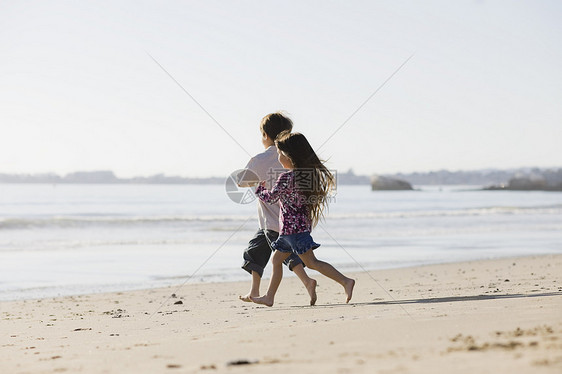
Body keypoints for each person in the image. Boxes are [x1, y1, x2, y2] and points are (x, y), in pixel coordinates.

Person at [250, 131, 355, 307]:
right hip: (295, 231)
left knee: (311, 262)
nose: (279, 157)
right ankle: (269, 297)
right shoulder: (306, 177)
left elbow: (271, 197)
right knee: (278, 260)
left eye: (280, 154)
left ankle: (346, 281)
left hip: (292, 233)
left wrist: (259, 189)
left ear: (290, 156)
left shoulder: (286, 177)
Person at [236, 112, 318, 305]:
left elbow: (241, 181)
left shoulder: (260, 159)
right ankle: (254, 291)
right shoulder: (294, 159)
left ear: (265, 135)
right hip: (287, 221)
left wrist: (257, 182)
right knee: (255, 251)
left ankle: (307, 282)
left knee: (286, 256)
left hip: (275, 222)